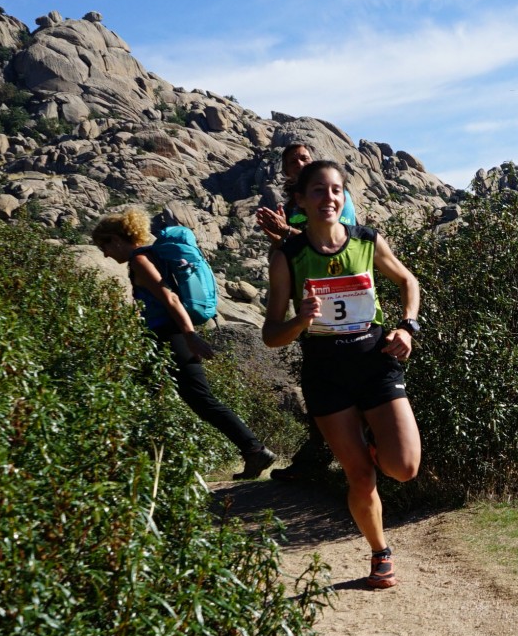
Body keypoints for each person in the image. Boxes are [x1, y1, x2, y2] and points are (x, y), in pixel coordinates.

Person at [262, 160, 422, 589]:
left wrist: (407, 326)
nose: (328, 198)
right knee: (359, 476)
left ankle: (373, 446)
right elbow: (271, 334)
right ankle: (380, 552)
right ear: (300, 200)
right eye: (318, 190)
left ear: (345, 197)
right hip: (325, 372)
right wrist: (300, 321)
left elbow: (408, 281)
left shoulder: (367, 241)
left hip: (375, 360)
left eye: (336, 190)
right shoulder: (288, 258)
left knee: (404, 467)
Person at [92, 209, 276, 480]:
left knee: (200, 398)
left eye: (104, 246)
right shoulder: (147, 258)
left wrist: (190, 336)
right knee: (146, 395)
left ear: (117, 239)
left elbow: (171, 300)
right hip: (164, 336)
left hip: (170, 336)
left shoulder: (141, 260)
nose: (106, 254)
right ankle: (142, 465)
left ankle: (254, 449)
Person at [254, 142, 351, 482]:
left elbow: (336, 243)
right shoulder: (292, 206)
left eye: (304, 157)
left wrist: (287, 234)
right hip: (308, 308)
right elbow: (293, 253)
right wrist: (279, 240)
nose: (299, 162)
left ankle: (337, 458)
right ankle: (317, 458)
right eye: (292, 160)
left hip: (344, 303)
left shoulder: (333, 198)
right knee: (318, 378)